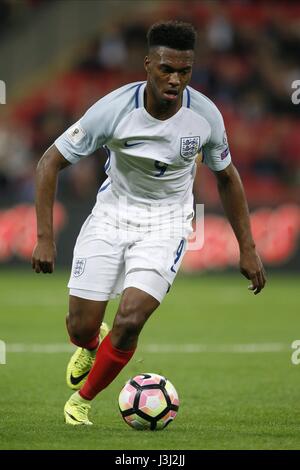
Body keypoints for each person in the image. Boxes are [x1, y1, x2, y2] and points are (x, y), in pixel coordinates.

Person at [32, 20, 266, 425]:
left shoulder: (205, 116)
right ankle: (90, 343)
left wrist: (248, 247)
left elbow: (227, 177)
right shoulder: (113, 109)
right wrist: (44, 238)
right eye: (166, 69)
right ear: (147, 65)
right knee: (80, 325)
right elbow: (50, 161)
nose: (175, 80)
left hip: (167, 224)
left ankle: (81, 402)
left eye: (184, 71)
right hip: (111, 215)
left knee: (131, 318)